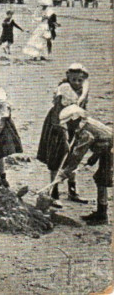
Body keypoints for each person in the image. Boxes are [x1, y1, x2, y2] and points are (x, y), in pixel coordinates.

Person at [36, 64, 90, 207]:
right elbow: (58, 113)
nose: (76, 83)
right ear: (68, 77)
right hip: (58, 126)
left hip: (74, 126)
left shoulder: (83, 89)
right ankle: (53, 193)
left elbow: (83, 109)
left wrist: (79, 127)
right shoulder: (64, 90)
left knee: (73, 157)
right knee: (57, 159)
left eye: (79, 80)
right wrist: (64, 135)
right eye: (73, 79)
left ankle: (72, 191)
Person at [55, 106, 112, 225]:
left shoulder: (86, 132)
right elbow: (75, 149)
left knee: (102, 179)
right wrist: (94, 157)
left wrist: (65, 173)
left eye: (68, 123)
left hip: (110, 150)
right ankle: (101, 211)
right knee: (100, 179)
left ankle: (102, 215)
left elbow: (78, 155)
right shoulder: (83, 125)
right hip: (105, 147)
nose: (67, 126)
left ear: (74, 119)